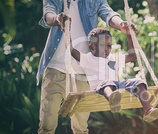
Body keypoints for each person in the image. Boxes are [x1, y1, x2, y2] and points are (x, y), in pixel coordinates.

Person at [37, 0, 134, 133]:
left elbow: (109, 14)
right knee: (47, 125)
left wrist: (122, 24)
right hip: (55, 69)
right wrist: (57, 18)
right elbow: (48, 14)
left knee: (81, 128)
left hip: (82, 73)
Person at [70, 27, 158, 122]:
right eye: (102, 45)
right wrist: (67, 33)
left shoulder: (112, 59)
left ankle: (148, 110)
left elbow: (133, 56)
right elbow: (73, 51)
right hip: (100, 88)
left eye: (109, 46)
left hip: (116, 87)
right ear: (92, 46)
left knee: (138, 82)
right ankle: (112, 99)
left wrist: (129, 36)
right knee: (107, 83)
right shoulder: (88, 59)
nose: (106, 49)